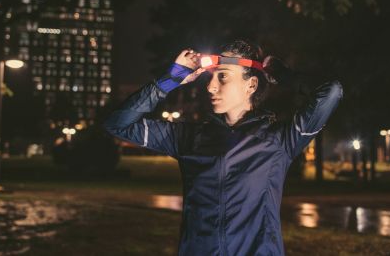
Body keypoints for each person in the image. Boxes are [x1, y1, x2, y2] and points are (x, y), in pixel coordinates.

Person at [104, 40, 342, 255]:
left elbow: (331, 92)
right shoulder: (189, 137)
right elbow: (118, 125)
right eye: (212, 78)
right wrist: (172, 78)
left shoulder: (279, 140)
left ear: (251, 85)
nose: (210, 87)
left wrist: (285, 76)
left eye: (223, 77)